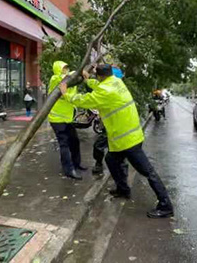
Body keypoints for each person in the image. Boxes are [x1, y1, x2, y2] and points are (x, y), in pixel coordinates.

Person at [59, 64, 174, 218]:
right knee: (111, 160)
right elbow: (99, 86)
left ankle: (166, 205)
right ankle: (123, 189)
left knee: (147, 172)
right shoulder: (116, 82)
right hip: (128, 136)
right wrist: (88, 80)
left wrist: (65, 93)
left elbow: (84, 100)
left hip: (127, 140)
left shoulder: (105, 92)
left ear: (100, 76)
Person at [48, 61, 86, 180]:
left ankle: (76, 164)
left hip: (68, 118)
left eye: (67, 67)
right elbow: (64, 77)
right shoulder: (55, 79)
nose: (66, 70)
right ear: (58, 70)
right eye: (64, 68)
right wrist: (79, 71)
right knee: (64, 144)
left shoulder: (71, 81)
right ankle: (69, 170)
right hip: (57, 118)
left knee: (74, 141)